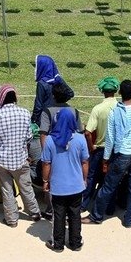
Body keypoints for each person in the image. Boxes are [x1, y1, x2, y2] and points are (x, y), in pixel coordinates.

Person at [82, 79, 131, 228]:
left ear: (120, 93)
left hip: (122, 155)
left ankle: (96, 216)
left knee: (108, 187)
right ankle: (129, 220)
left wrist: (105, 159)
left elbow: (111, 140)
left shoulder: (116, 112)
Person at [0, 85, 42, 227]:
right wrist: (26, 154)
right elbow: (29, 137)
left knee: (7, 191)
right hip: (21, 158)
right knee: (26, 187)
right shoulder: (25, 113)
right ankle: (34, 213)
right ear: (15, 97)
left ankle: (12, 220)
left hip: (3, 161)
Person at [41, 108, 89, 252]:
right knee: (75, 214)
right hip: (76, 185)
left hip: (58, 186)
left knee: (59, 215)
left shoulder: (50, 140)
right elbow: (85, 162)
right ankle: (75, 243)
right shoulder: (80, 139)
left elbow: (46, 164)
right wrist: (84, 179)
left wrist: (45, 181)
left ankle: (58, 244)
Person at [39, 82, 82, 220]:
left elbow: (43, 134)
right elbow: (79, 132)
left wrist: (47, 154)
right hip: (72, 150)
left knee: (52, 180)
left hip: (53, 150)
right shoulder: (74, 111)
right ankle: (71, 211)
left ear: (53, 95)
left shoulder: (47, 111)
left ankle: (51, 209)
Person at [82, 76, 119, 212]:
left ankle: (83, 205)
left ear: (103, 91)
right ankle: (109, 207)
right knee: (110, 180)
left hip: (99, 150)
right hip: (115, 150)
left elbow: (87, 132)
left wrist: (91, 147)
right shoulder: (119, 107)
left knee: (91, 178)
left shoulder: (98, 109)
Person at [31, 55, 74, 126]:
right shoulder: (58, 79)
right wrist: (60, 102)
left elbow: (38, 105)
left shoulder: (42, 83)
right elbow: (70, 93)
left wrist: (33, 120)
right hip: (58, 115)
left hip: (45, 118)